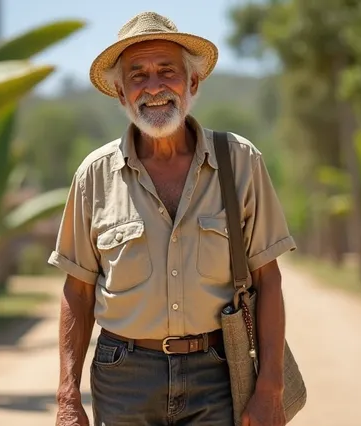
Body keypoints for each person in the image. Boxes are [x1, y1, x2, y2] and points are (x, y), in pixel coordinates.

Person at [48, 11, 297, 426]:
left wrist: (271, 387)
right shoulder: (94, 175)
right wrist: (67, 397)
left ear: (193, 82)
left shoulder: (239, 162)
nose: (154, 87)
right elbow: (78, 291)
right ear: (120, 93)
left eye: (167, 70)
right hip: (123, 376)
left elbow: (268, 280)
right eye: (138, 76)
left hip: (217, 371)